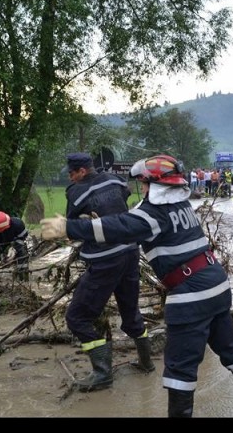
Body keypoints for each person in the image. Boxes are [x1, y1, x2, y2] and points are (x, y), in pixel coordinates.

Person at [41, 154, 233, 418]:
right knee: (232, 350)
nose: (143, 189)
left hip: (191, 296)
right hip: (217, 287)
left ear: (155, 185)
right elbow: (126, 223)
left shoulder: (152, 214)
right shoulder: (182, 207)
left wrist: (67, 226)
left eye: (144, 184)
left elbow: (118, 226)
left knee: (180, 371)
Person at [62, 152, 154, 392]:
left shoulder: (76, 192)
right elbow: (122, 200)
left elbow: (71, 230)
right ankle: (147, 363)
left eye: (72, 173)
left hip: (104, 260)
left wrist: (83, 219)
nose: (70, 178)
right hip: (131, 252)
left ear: (82, 171)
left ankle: (102, 374)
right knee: (131, 312)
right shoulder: (116, 180)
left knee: (77, 317)